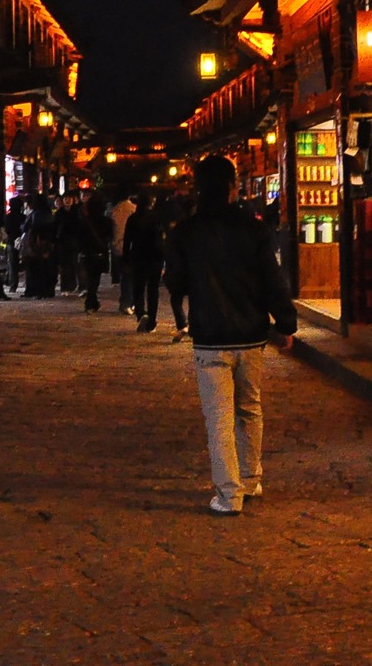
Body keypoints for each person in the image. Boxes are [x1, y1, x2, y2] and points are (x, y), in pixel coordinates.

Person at [164, 156, 298, 516]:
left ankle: (228, 494)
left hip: (209, 336)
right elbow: (273, 280)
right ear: (231, 187)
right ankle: (252, 478)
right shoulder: (253, 228)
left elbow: (174, 282)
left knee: (218, 416)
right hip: (250, 335)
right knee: (250, 409)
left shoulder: (185, 232)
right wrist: (285, 324)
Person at [124, 192, 167, 333]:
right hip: (154, 258)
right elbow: (161, 240)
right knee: (153, 290)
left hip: (137, 256)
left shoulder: (133, 218)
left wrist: (126, 259)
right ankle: (152, 320)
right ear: (151, 203)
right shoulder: (157, 218)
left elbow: (127, 241)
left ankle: (141, 313)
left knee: (138, 288)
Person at [80, 194, 111, 312]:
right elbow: (109, 237)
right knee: (95, 279)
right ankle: (91, 302)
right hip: (100, 253)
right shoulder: (106, 221)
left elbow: (80, 237)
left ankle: (91, 302)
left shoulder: (85, 222)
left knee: (90, 278)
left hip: (87, 253)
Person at [109, 190, 137, 313]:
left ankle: (125, 301)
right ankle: (129, 302)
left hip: (118, 246)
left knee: (125, 275)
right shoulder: (133, 209)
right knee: (131, 276)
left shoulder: (114, 210)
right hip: (131, 246)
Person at [3, 195, 27, 293]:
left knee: (12, 264)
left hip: (11, 242)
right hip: (22, 242)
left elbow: (6, 230)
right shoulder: (23, 217)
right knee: (23, 263)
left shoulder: (8, 217)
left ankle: (13, 284)